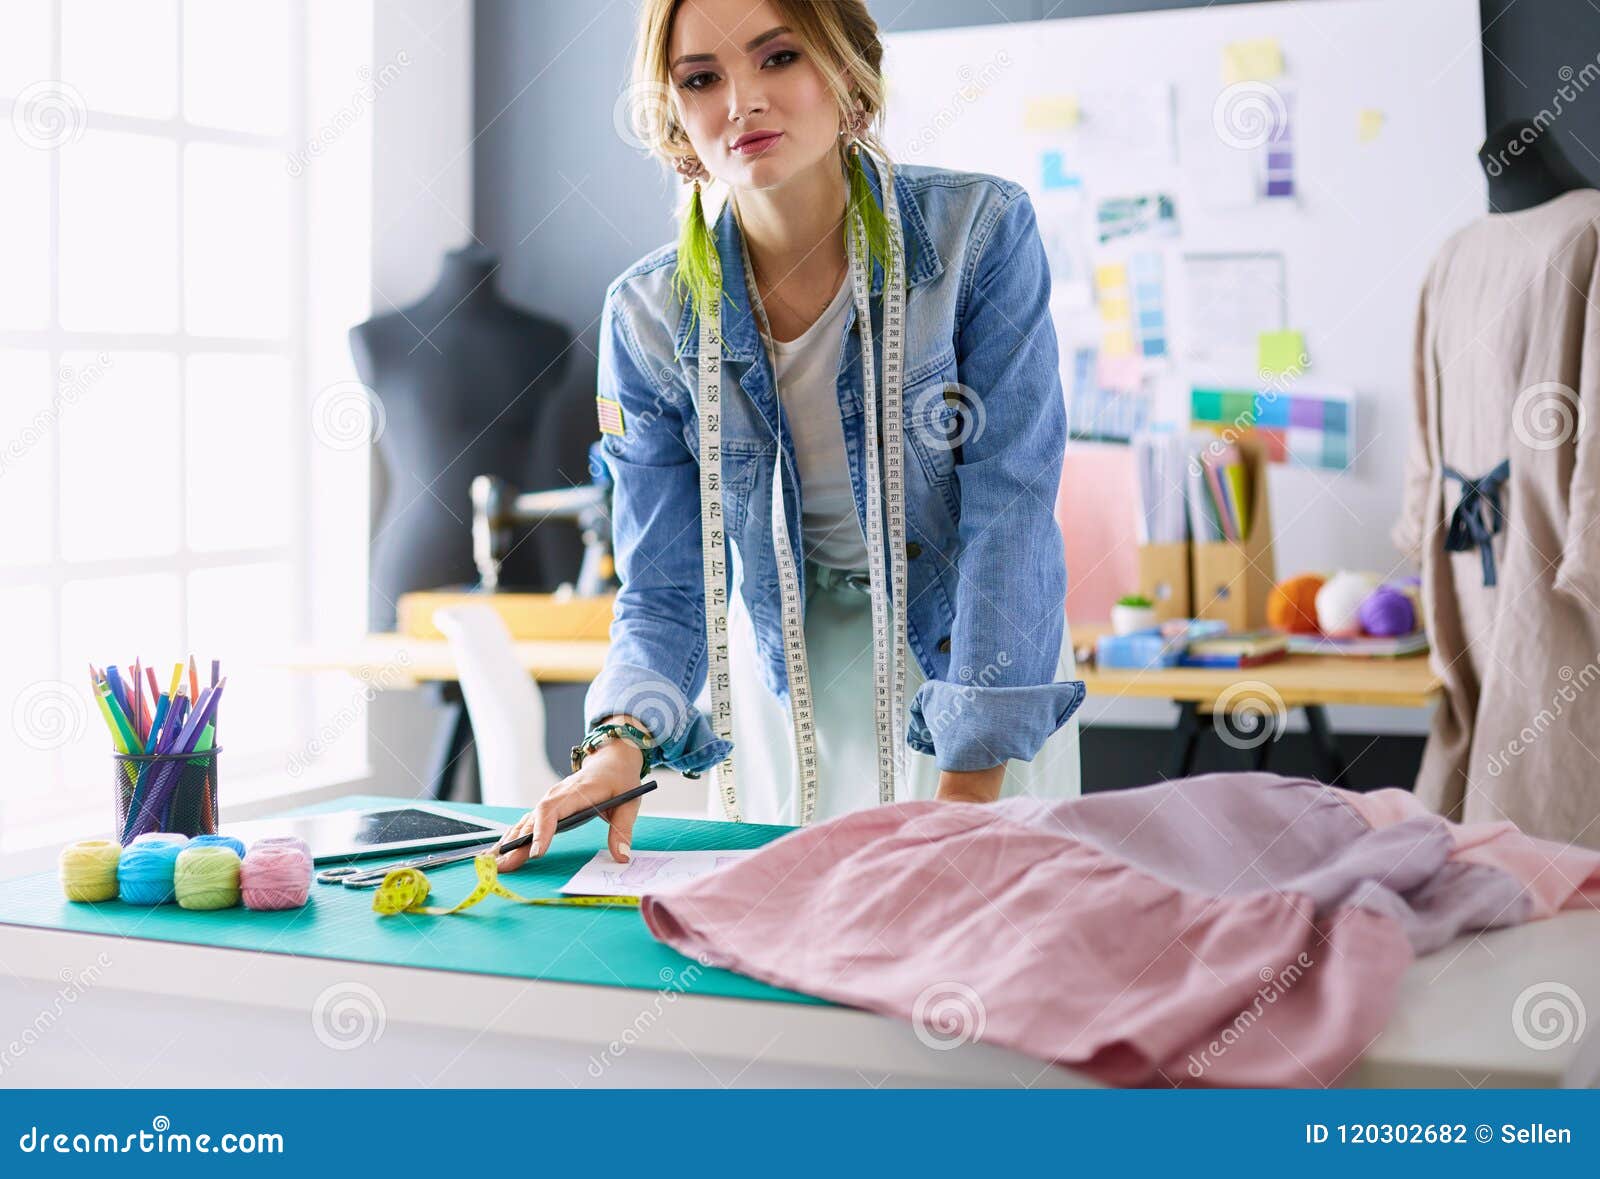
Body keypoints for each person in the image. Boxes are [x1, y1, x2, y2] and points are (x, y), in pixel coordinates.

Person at [498, 0, 1083, 873]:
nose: (741, 102)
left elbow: (1012, 512)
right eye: (702, 78)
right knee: (803, 939)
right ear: (675, 116)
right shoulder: (649, 318)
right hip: (792, 660)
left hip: (974, 643)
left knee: (982, 925)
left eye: (778, 59)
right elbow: (664, 582)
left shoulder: (980, 238)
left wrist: (965, 794)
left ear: (846, 71)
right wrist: (618, 744)